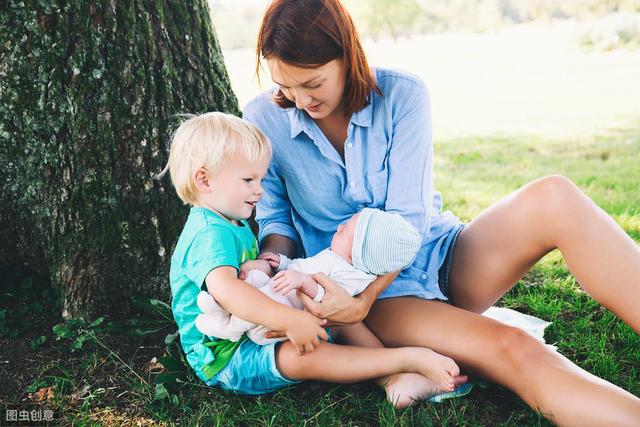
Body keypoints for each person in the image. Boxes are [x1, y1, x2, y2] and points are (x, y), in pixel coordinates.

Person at [243, 0, 640, 424]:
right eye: (285, 86)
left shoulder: (403, 94)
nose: (300, 100)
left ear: (346, 56)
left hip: (437, 253)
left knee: (554, 196)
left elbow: (410, 221)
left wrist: (365, 301)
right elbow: (277, 221)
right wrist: (276, 265)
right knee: (516, 349)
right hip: (376, 295)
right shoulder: (263, 117)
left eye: (313, 83)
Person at [162, 111, 467, 405]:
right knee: (303, 356)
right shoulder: (207, 232)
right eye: (248, 180)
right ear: (204, 180)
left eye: (260, 180)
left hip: (254, 331)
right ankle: (403, 360)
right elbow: (228, 292)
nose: (259, 191)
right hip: (227, 357)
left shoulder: (230, 222)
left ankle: (394, 379)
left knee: (327, 310)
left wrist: (264, 267)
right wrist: (291, 320)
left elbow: (245, 278)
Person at [194, 207, 420, 344]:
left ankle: (229, 328)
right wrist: (283, 262)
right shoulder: (336, 255)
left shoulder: (351, 275)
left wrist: (303, 282)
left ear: (357, 256)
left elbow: (326, 296)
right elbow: (304, 266)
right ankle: (223, 308)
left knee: (263, 298)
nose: (339, 228)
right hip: (281, 289)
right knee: (253, 279)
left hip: (283, 315)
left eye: (346, 232)